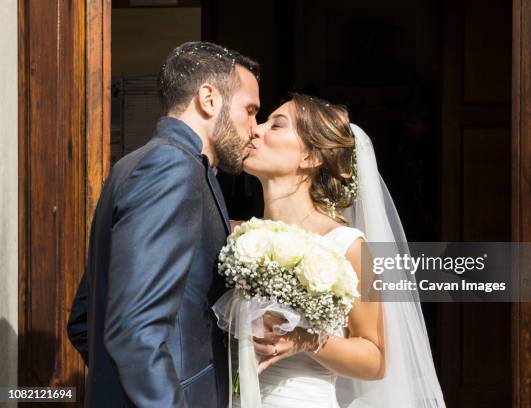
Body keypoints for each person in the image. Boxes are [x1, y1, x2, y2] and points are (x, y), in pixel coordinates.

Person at [66, 41, 260, 408]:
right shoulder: (172, 168)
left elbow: (84, 320)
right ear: (209, 98)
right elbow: (134, 331)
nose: (254, 128)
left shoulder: (136, 164)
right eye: (249, 110)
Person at [228, 93, 446, 407]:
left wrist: (307, 340)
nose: (256, 131)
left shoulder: (353, 247)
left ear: (310, 157)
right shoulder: (237, 237)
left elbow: (377, 359)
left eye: (276, 125)